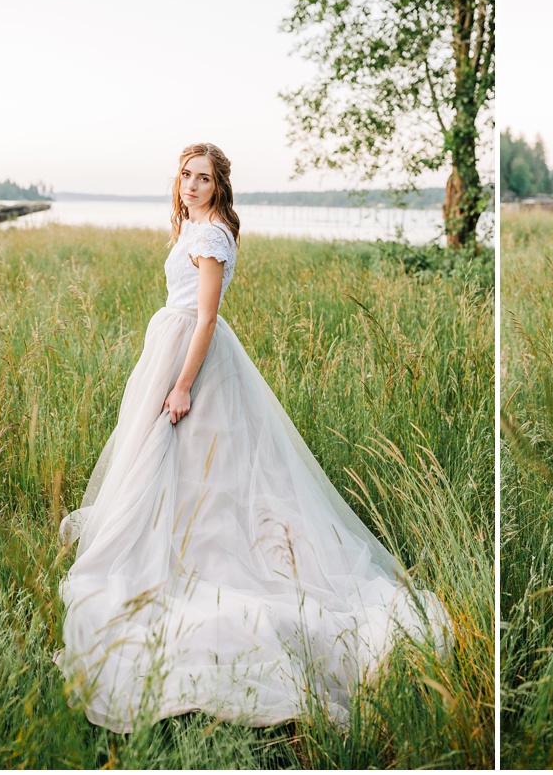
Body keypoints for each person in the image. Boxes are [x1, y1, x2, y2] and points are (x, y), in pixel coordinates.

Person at [56, 142, 451, 733]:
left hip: (195, 360)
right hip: (172, 347)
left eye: (204, 178)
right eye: (186, 175)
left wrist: (184, 384)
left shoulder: (213, 235)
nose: (192, 185)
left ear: (219, 187)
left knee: (201, 465)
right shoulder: (192, 226)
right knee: (173, 468)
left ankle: (200, 563)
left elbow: (207, 317)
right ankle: (166, 546)